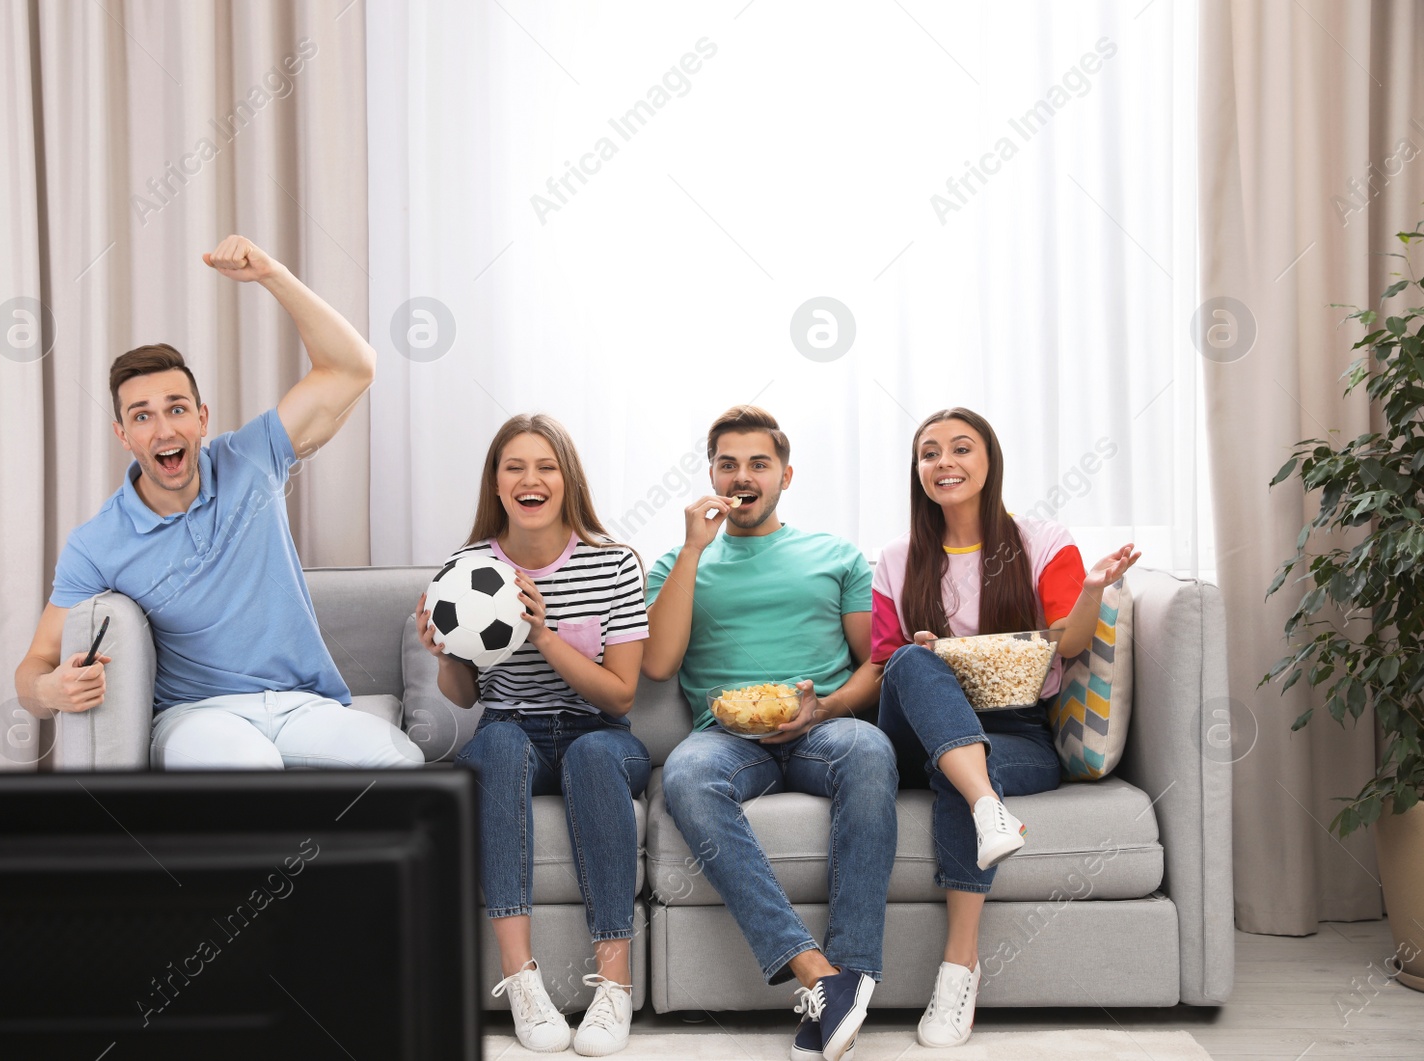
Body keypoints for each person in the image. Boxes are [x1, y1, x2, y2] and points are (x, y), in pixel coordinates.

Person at [15, 235, 423, 770]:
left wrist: (272, 273)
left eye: (176, 408)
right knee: (253, 771)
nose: (163, 429)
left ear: (202, 419)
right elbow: (34, 666)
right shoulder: (97, 543)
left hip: (302, 704)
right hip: (198, 717)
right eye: (142, 416)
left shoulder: (250, 458)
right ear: (123, 435)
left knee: (406, 767)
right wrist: (51, 692)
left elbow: (354, 367)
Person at [872, 407, 1138, 1047]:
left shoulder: (1042, 541)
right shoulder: (896, 558)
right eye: (929, 453)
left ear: (989, 462)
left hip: (1018, 731)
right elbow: (883, 664)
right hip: (913, 725)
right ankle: (989, 803)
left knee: (954, 771)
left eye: (961, 449)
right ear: (918, 472)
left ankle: (958, 971)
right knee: (912, 657)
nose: (945, 463)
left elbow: (1070, 643)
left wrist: (1095, 587)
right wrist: (930, 657)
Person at [645, 405, 897, 1061]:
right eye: (727, 463)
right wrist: (695, 550)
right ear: (710, 475)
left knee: (872, 748)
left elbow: (878, 659)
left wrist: (830, 707)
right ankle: (819, 975)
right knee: (685, 775)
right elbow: (659, 663)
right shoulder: (679, 560)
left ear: (785, 474)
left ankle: (850, 971)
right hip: (723, 737)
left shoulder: (836, 555)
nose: (742, 475)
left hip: (823, 727)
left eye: (758, 462)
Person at [418, 414, 650, 1057]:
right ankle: (521, 980)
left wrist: (542, 633)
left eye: (546, 466)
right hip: (509, 728)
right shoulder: (463, 570)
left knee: (593, 756)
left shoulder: (613, 563)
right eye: (514, 467)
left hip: (600, 733)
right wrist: (444, 656)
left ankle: (613, 983)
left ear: (567, 480)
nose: (530, 479)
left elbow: (621, 694)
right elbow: (465, 698)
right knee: (491, 747)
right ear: (496, 484)